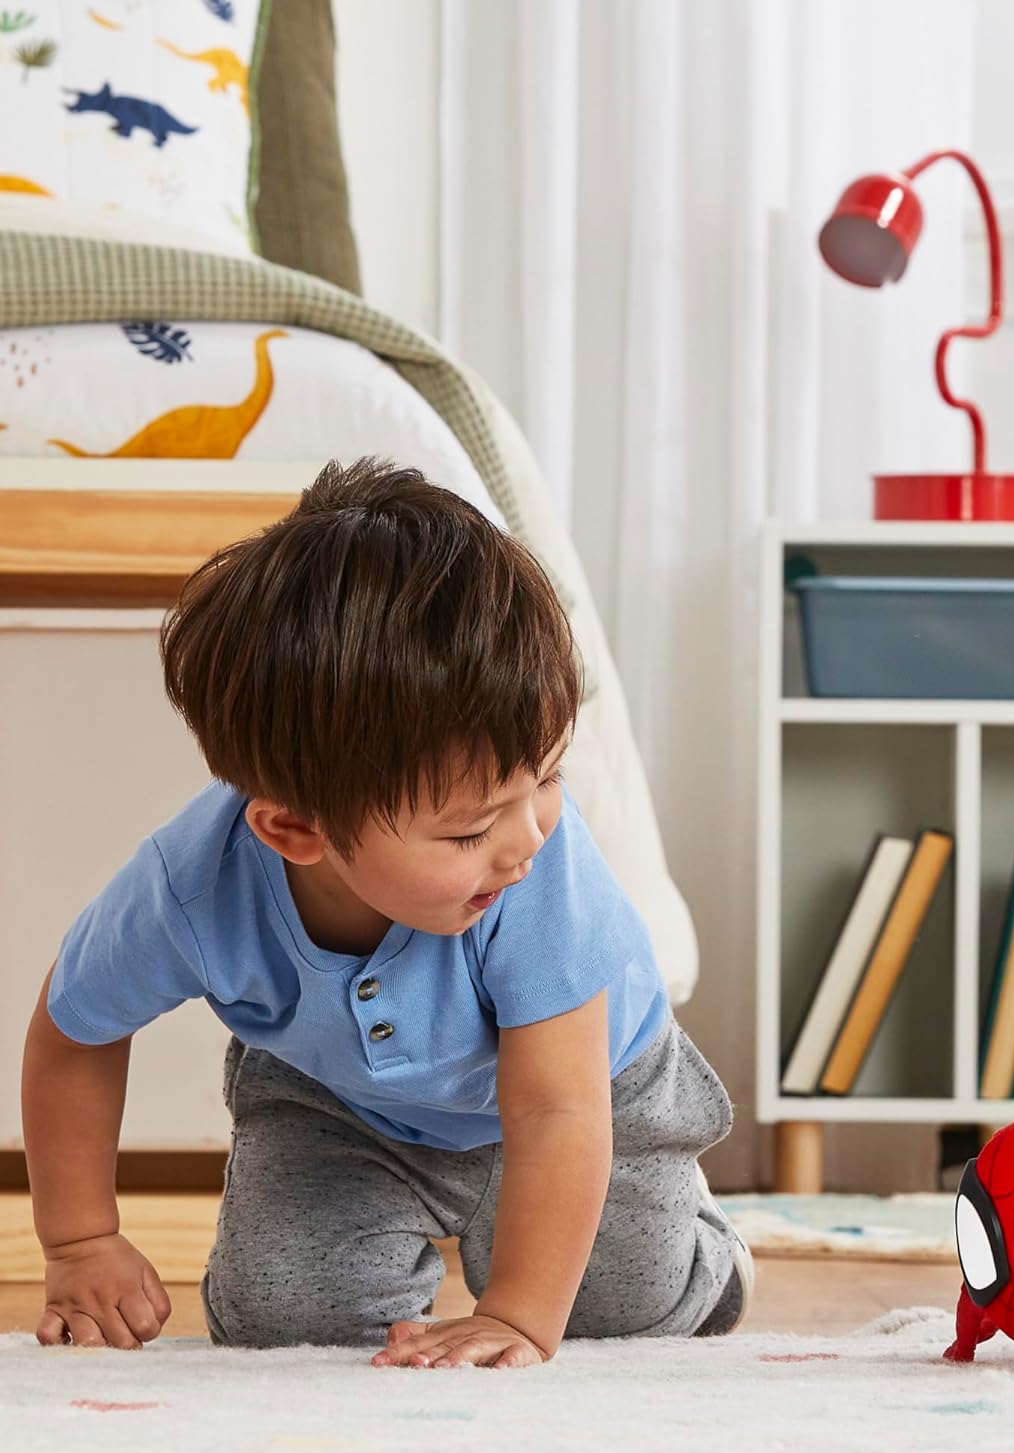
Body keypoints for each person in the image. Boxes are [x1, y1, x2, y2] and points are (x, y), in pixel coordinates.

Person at [21, 456, 752, 1369]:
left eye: (548, 778)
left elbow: (558, 1109)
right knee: (288, 1321)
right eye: (471, 829)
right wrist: (80, 1240)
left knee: (617, 1306)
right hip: (342, 1107)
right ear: (296, 830)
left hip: (589, 1094)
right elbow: (75, 1030)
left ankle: (707, 1252)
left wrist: (517, 1317)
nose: (527, 839)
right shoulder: (192, 889)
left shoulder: (540, 876)